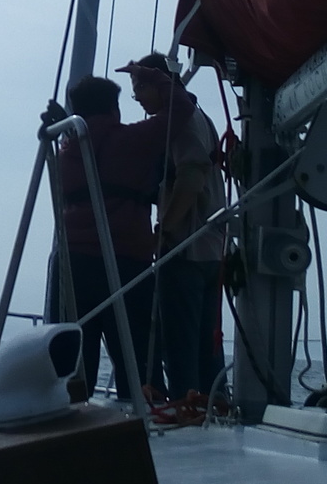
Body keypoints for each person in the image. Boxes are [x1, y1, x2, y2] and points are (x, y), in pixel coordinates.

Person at [47, 71, 196, 402]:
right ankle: (148, 430)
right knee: (139, 366)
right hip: (125, 266)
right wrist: (160, 79)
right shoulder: (134, 140)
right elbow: (184, 110)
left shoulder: (65, 151)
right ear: (114, 110)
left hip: (72, 267)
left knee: (70, 369)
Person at [118, 53, 226, 402]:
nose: (136, 98)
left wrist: (164, 230)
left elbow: (191, 178)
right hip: (210, 248)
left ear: (158, 83)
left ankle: (186, 406)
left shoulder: (180, 123)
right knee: (207, 341)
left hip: (185, 246)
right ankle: (211, 403)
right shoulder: (200, 116)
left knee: (179, 340)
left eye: (139, 88)